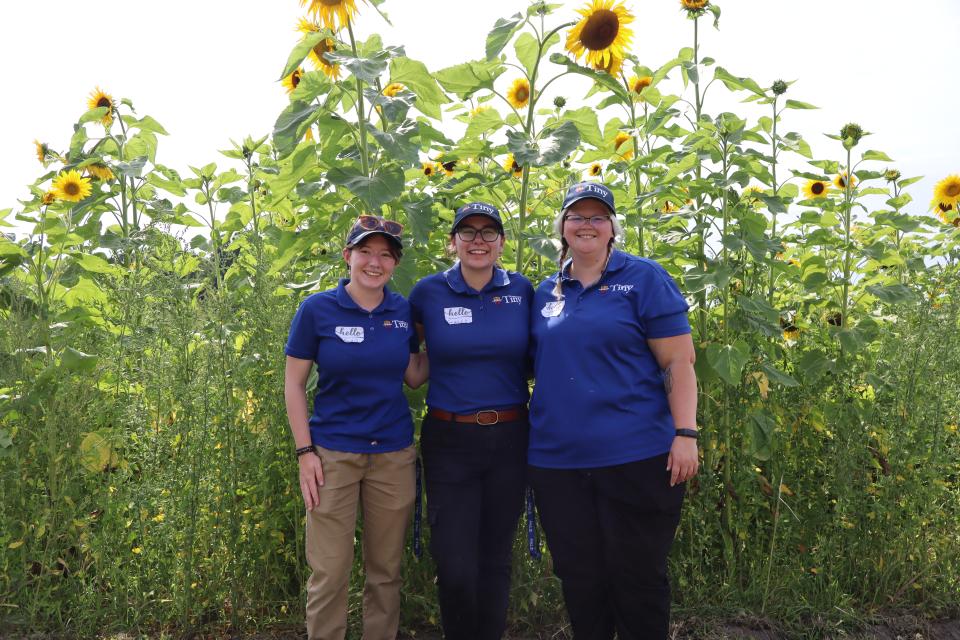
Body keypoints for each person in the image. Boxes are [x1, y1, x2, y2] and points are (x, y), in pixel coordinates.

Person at [527, 182, 700, 640]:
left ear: (612, 228)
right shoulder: (545, 292)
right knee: (580, 578)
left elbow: (678, 362)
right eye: (577, 216)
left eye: (597, 217)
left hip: (636, 456)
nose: (586, 224)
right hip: (558, 463)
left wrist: (686, 432)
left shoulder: (643, 278)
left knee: (637, 577)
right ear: (562, 228)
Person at [284, 215, 428, 640]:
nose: (374, 262)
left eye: (385, 255)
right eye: (365, 251)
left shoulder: (402, 311)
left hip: (393, 455)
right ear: (347, 256)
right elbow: (293, 385)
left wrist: (459, 343)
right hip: (332, 456)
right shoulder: (317, 310)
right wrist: (304, 453)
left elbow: (414, 376)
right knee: (329, 571)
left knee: (385, 572)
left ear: (394, 264)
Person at [407, 202, 534, 640]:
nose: (478, 240)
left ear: (501, 243)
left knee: (495, 560)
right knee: (456, 564)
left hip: (511, 436)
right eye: (468, 231)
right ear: (453, 242)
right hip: (449, 439)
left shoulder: (524, 291)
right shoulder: (427, 293)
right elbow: (410, 358)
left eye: (488, 232)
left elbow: (543, 355)